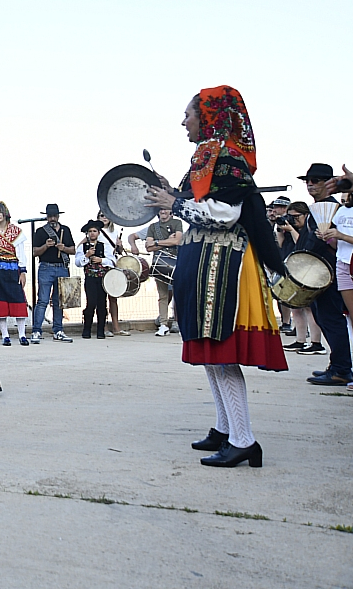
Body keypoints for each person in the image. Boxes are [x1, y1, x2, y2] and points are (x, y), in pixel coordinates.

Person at [146, 85, 287, 469]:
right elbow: (200, 204)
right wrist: (173, 193)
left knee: (222, 352)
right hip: (205, 259)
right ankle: (226, 429)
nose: (183, 122)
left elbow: (225, 214)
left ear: (208, 118)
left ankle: (244, 440)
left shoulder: (227, 157)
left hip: (223, 263)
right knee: (212, 352)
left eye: (188, 115)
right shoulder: (208, 155)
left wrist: (175, 203)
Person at [296, 163, 353, 387]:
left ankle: (342, 369)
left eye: (316, 180)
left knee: (331, 319)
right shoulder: (318, 209)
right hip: (317, 272)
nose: (310, 184)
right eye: (308, 181)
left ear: (328, 183)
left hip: (327, 272)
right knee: (323, 318)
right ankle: (338, 366)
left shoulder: (336, 210)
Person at [317, 163, 353, 390]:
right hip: (344, 265)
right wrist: (329, 237)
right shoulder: (342, 211)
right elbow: (336, 244)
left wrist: (342, 235)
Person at [278, 201, 325, 354]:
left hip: (306, 269)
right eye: (290, 217)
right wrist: (280, 230)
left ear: (306, 215)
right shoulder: (289, 230)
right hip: (291, 268)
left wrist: (292, 229)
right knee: (295, 307)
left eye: (296, 216)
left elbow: (302, 245)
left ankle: (316, 343)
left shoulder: (309, 229)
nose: (293, 220)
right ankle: (300, 340)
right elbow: (280, 244)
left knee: (309, 308)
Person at [0, 202, 30, 346]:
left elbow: (21, 252)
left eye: (0, 212)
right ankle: (5, 335)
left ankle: (22, 334)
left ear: (5, 213)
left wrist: (23, 271)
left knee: (18, 300)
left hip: (14, 269)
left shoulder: (16, 231)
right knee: (0, 302)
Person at [31, 203, 77, 342]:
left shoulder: (65, 230)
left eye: (54, 216)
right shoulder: (40, 231)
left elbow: (73, 250)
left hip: (62, 267)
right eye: (50, 216)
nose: (52, 218)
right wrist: (46, 246)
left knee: (59, 301)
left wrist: (63, 248)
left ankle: (58, 330)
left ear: (58, 216)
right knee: (43, 301)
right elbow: (35, 252)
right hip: (46, 267)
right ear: (47, 217)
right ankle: (36, 330)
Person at [143, 209, 184, 337]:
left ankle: (180, 323)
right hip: (160, 263)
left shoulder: (177, 223)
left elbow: (177, 241)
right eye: (161, 209)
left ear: (171, 211)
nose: (163, 211)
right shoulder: (153, 227)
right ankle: (163, 324)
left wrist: (156, 242)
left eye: (166, 209)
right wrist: (167, 241)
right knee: (163, 296)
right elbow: (149, 247)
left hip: (176, 262)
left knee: (179, 295)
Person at [75, 220, 115, 340]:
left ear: (98, 233)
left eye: (94, 231)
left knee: (102, 304)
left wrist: (101, 260)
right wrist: (86, 256)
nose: (92, 233)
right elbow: (78, 262)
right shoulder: (82, 247)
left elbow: (113, 261)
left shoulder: (105, 246)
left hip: (102, 279)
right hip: (90, 278)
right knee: (91, 303)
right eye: (90, 231)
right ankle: (86, 329)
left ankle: (101, 330)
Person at [96, 210, 129, 336]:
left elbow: (119, 251)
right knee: (101, 299)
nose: (104, 218)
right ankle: (103, 327)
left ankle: (116, 327)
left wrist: (120, 246)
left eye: (106, 215)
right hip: (100, 266)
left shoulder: (115, 232)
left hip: (112, 266)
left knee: (113, 297)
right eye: (102, 215)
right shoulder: (96, 232)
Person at [267, 196, 294, 335]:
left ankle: (287, 322)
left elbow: (282, 243)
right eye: (271, 209)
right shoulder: (266, 224)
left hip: (286, 259)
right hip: (271, 260)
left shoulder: (290, 222)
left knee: (285, 292)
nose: (273, 212)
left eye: (276, 208)